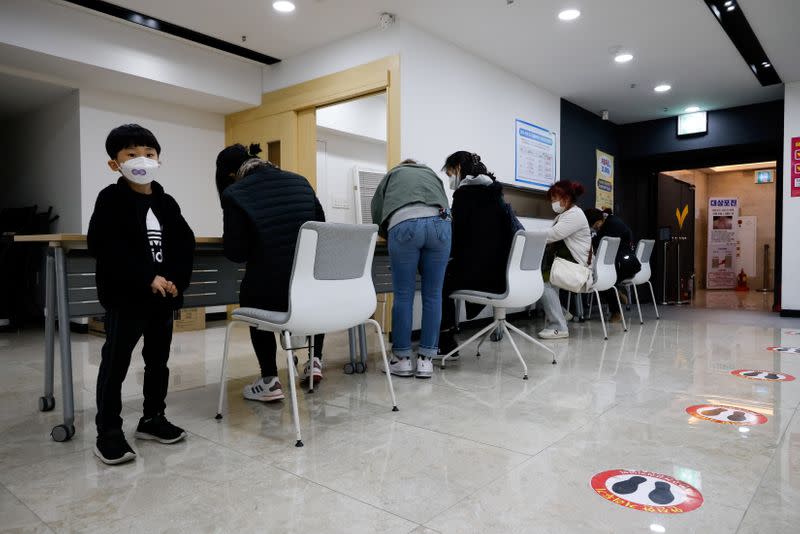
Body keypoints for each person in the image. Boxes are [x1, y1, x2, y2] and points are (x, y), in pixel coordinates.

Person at [88, 124, 196, 465]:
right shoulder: (110, 199)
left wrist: (176, 279)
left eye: (149, 154)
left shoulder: (167, 202)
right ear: (114, 164)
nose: (142, 160)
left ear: (159, 159)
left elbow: (184, 243)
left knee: (158, 362)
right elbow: (105, 244)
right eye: (131, 154)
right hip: (126, 298)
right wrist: (146, 276)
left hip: (161, 301)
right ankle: (108, 430)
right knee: (116, 363)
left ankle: (152, 418)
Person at [215, 144, 326, 403]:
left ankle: (269, 380)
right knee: (307, 285)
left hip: (270, 295)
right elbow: (321, 229)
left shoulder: (235, 193)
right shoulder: (301, 182)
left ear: (230, 174)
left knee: (253, 290)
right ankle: (314, 362)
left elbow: (235, 252)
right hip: (311, 292)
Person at [371, 159, 451, 378]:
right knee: (434, 295)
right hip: (442, 224)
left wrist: (388, 234)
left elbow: (377, 210)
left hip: (404, 225)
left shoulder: (393, 175)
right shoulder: (433, 174)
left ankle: (402, 359)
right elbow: (444, 202)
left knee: (404, 295)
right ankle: (426, 361)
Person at [438, 151, 520, 355]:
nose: (450, 180)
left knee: (438, 280)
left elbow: (456, 238)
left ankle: (446, 342)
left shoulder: (465, 195)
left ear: (458, 168)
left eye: (450, 174)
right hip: (500, 272)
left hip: (481, 276)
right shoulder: (495, 192)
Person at [539, 180, 591, 339]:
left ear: (566, 198)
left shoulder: (574, 215)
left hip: (578, 267)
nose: (553, 203)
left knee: (543, 283)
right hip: (566, 263)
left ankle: (559, 326)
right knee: (545, 277)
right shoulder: (565, 215)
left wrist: (527, 235)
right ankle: (563, 313)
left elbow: (553, 235)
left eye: (555, 198)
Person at [584, 208, 639, 321]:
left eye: (595, 225)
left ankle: (616, 311)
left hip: (624, 265)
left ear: (599, 220)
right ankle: (617, 293)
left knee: (600, 278)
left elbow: (598, 243)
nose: (595, 228)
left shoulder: (610, 225)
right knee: (602, 276)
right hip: (627, 263)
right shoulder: (611, 221)